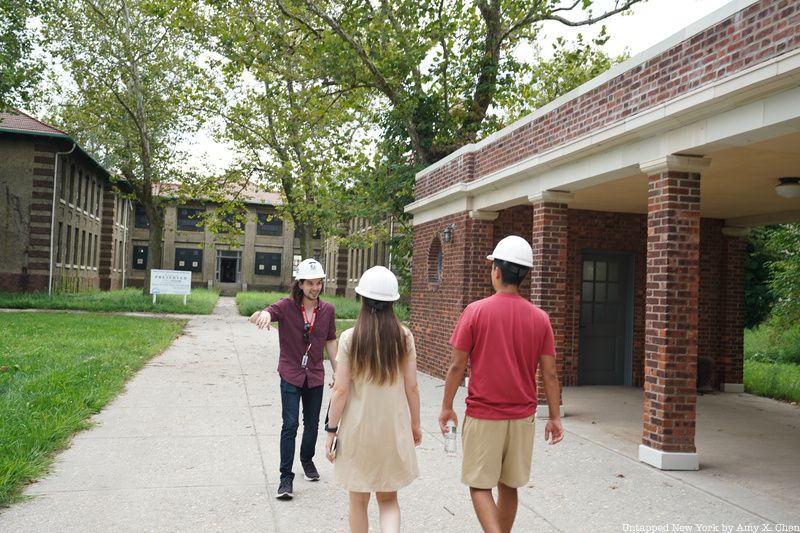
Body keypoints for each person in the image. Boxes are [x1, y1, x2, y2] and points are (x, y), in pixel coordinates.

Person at [438, 235, 564, 533]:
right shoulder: (540, 319)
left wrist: (446, 407)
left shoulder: (475, 311)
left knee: (480, 486)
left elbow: (457, 365)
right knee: (509, 486)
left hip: (484, 415)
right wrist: (554, 417)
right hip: (522, 417)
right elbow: (550, 374)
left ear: (496, 271)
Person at [324, 266, 421, 533]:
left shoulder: (350, 338)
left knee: (358, 501)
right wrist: (415, 425)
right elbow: (412, 387)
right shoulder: (404, 337)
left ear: (362, 299)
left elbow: (340, 390)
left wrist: (331, 430)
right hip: (392, 429)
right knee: (388, 500)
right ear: (392, 302)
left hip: (358, 431)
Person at [250, 258, 337, 500]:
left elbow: (330, 340)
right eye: (310, 283)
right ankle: (285, 478)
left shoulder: (327, 310)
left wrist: (338, 371)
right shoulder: (286, 306)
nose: (315, 288)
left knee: (312, 424)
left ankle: (307, 460)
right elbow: (261, 314)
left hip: (315, 374)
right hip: (290, 373)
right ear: (300, 284)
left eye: (318, 283)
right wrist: (262, 315)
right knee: (290, 425)